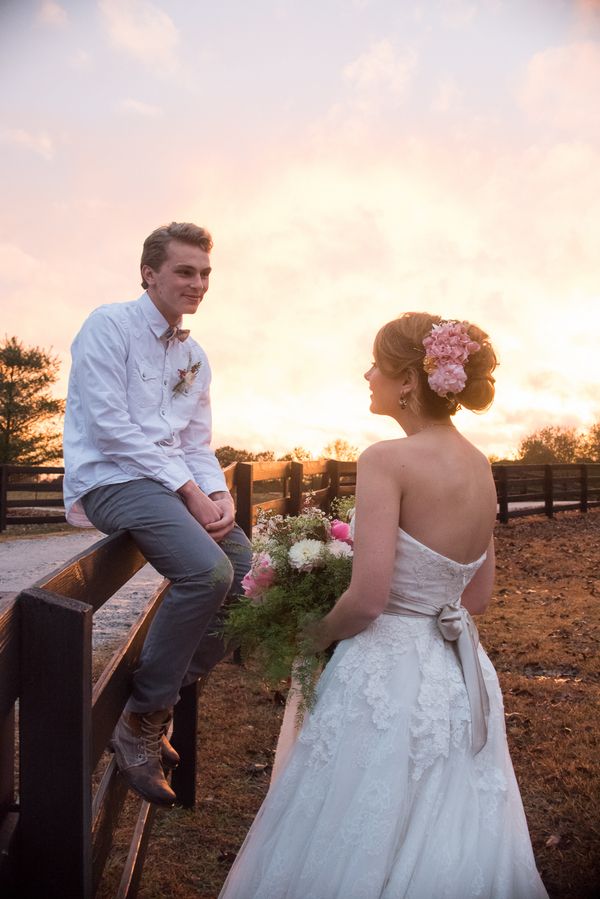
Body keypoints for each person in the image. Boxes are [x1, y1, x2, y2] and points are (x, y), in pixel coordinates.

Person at [218, 313, 549, 899]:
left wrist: (311, 636)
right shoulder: (478, 463)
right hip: (459, 670)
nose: (366, 373)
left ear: (406, 381)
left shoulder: (386, 460)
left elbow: (368, 601)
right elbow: (476, 596)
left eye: (376, 363)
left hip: (388, 667)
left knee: (356, 817)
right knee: (449, 815)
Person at [63, 222, 252, 807]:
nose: (197, 283)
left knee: (247, 579)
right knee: (207, 573)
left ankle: (146, 703)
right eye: (184, 271)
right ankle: (146, 715)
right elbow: (109, 427)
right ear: (149, 273)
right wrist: (188, 491)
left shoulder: (194, 356)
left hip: (173, 485)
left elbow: (196, 441)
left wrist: (217, 493)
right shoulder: (109, 326)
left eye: (204, 274)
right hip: (112, 478)